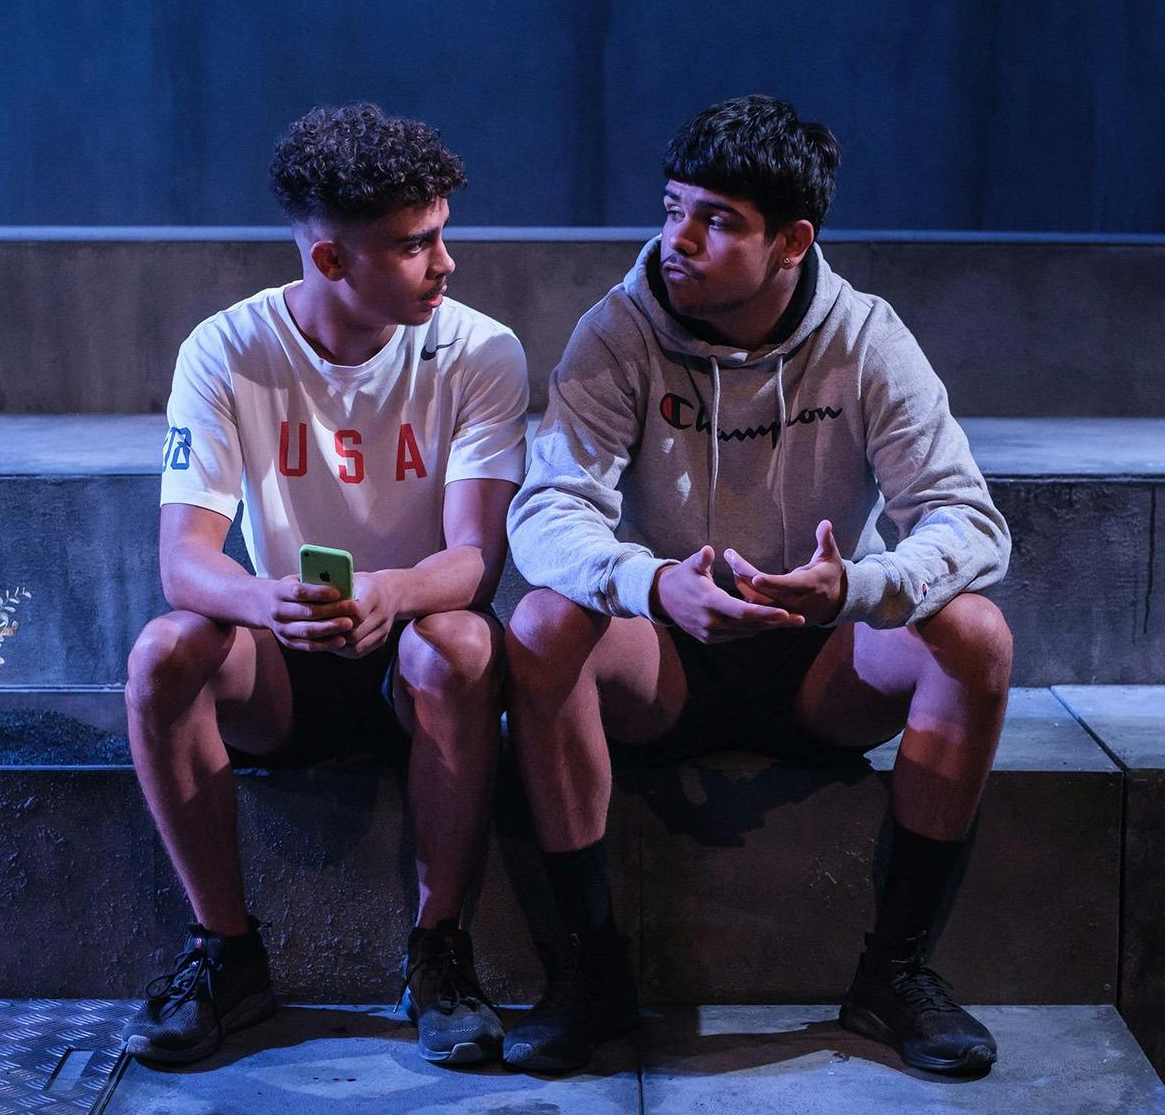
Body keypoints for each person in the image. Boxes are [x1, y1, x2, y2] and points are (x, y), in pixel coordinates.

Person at [502, 95, 1013, 1075]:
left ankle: (895, 975)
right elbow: (548, 511)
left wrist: (859, 588)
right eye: (671, 208)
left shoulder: (865, 336)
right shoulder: (618, 330)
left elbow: (966, 519)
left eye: (716, 220)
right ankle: (590, 976)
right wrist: (654, 584)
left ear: (791, 242)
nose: (678, 239)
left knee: (976, 635)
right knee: (541, 624)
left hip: (823, 665)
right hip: (667, 661)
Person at [121, 103, 528, 1067]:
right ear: (332, 260)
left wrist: (390, 594)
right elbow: (185, 561)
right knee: (164, 651)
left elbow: (477, 559)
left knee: (463, 639)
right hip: (284, 665)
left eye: (442, 235)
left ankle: (439, 954)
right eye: (415, 245)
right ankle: (226, 955)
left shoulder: (480, 350)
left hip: (415, 665)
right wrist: (266, 602)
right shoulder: (227, 348)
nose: (445, 264)